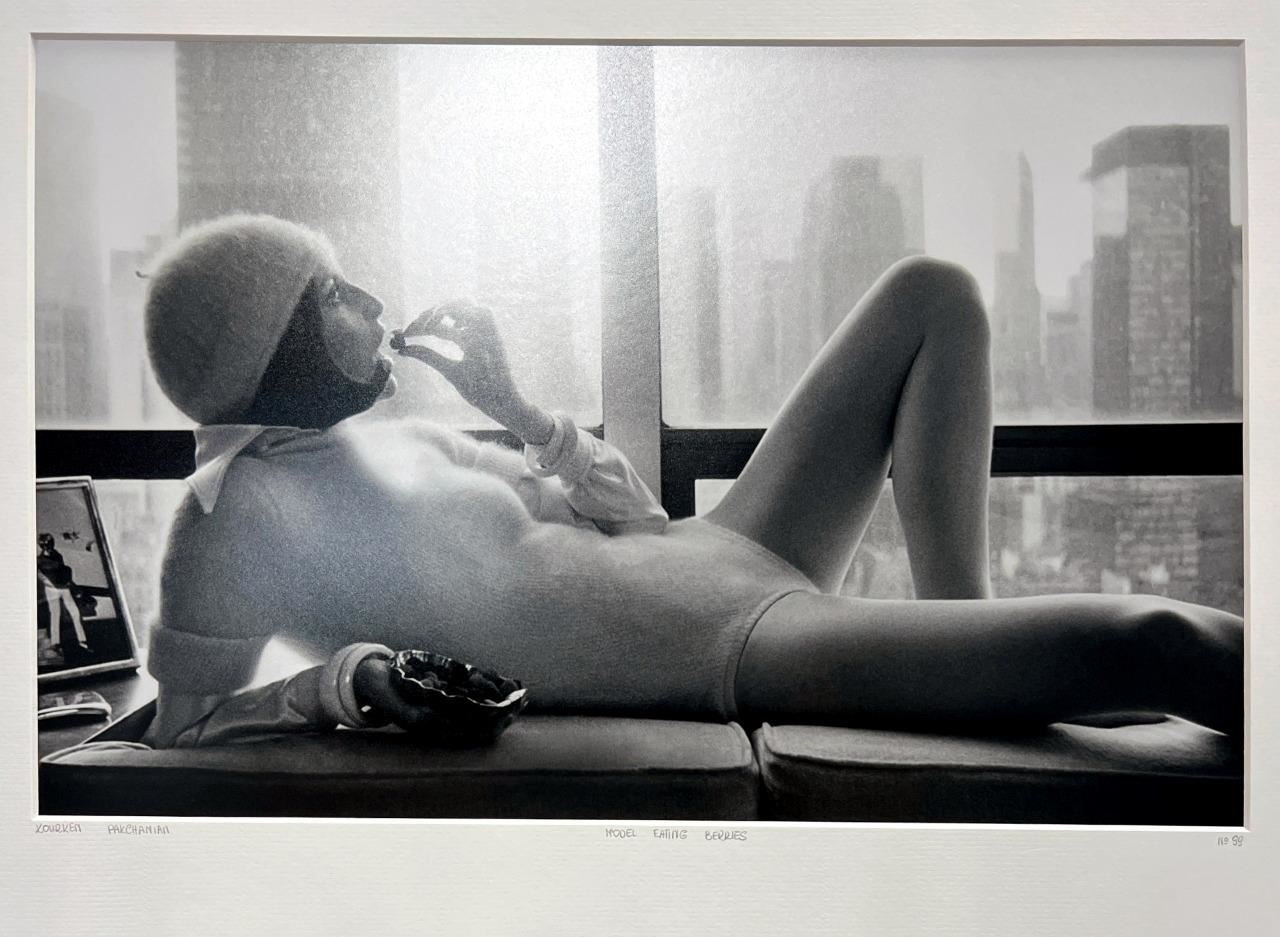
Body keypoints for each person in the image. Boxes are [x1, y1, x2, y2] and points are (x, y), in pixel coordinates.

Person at [138, 214, 1243, 748]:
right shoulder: (234, 513)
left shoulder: (395, 446)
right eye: (333, 295)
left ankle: (963, 627)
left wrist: (518, 409)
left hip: (716, 554)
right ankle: (979, 671)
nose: (373, 303)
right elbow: (184, 730)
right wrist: (342, 682)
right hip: (732, 642)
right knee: (1156, 640)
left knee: (933, 291)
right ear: (268, 346)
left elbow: (641, 520)